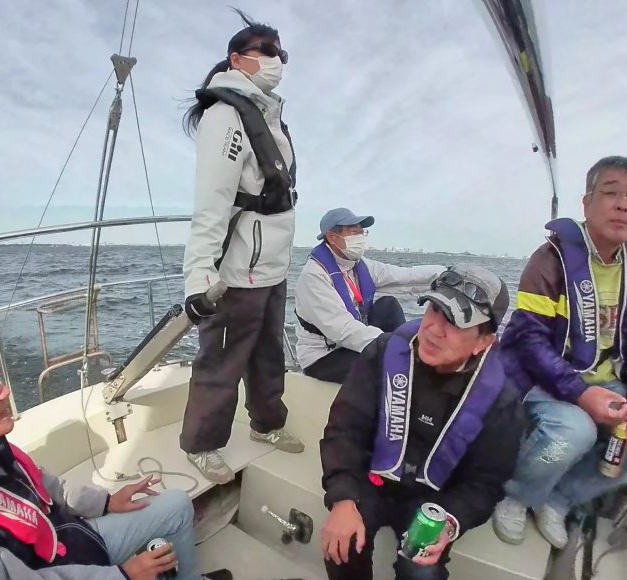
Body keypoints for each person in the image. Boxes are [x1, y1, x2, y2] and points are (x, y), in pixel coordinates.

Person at [0, 326, 211, 580]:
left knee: (177, 505)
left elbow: (46, 486)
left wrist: (106, 502)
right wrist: (122, 575)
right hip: (63, 566)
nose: (5, 390)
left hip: (72, 541)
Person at [492, 156, 627, 550]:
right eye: (611, 193)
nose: (623, 205)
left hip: (606, 381)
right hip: (542, 379)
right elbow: (529, 340)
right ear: (586, 203)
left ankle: (559, 499)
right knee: (575, 431)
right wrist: (581, 394)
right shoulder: (550, 258)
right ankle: (517, 496)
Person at [320, 266, 524, 580]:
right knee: (342, 545)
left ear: (484, 342)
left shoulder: (501, 401)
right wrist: (343, 497)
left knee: (421, 572)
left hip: (436, 499)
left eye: (455, 321)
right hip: (371, 480)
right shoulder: (383, 353)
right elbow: (345, 429)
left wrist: (452, 521)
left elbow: (486, 484)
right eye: (434, 309)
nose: (434, 329)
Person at [179, 9, 303, 484]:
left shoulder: (269, 116)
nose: (276, 60)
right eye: (266, 51)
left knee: (269, 355)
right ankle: (201, 444)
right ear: (236, 58)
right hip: (237, 269)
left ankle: (267, 423)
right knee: (222, 360)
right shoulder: (226, 116)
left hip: (272, 266)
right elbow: (211, 201)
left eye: (281, 53)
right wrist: (199, 275)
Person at [295, 208, 445, 383]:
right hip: (323, 356)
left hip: (354, 342)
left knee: (388, 305)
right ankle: (405, 362)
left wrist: (444, 273)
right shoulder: (314, 276)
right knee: (386, 367)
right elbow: (343, 330)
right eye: (354, 232)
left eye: (362, 232)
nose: (360, 237)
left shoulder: (358, 265)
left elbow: (404, 277)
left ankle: (409, 360)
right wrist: (394, 345)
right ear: (332, 237)